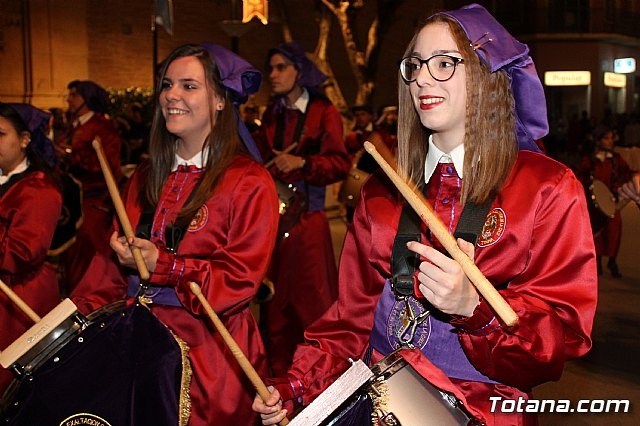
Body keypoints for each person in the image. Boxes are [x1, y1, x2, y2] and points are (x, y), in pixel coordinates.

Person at [253, 4, 597, 425]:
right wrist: (295, 387)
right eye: (414, 65)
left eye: (445, 63)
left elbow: (561, 341)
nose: (421, 78)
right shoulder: (381, 191)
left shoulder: (545, 187)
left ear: (488, 75)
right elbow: (349, 322)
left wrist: (475, 307)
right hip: (372, 404)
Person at [70, 43, 279, 425]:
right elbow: (108, 274)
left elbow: (238, 281)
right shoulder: (145, 175)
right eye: (167, 85)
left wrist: (166, 266)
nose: (171, 95)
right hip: (136, 343)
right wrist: (72, 320)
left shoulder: (249, 181)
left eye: (189, 86)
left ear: (220, 100)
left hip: (208, 355)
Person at [253, 41, 351, 376]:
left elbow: (340, 163)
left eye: (281, 67)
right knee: (275, 305)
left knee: (312, 303)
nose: (273, 75)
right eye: (271, 69)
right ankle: (279, 379)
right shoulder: (272, 113)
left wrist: (303, 161)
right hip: (274, 222)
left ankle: (320, 378)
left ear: (299, 71)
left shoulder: (325, 112)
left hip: (308, 223)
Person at [0, 103, 63, 393]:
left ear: (25, 139)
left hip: (17, 300)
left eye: (0, 134)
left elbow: (22, 254)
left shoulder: (39, 190)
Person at [55, 80, 123, 293]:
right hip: (71, 202)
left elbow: (110, 167)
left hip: (93, 203)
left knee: (90, 255)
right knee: (70, 256)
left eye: (74, 95)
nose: (69, 99)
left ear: (87, 98)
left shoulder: (103, 128)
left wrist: (71, 155)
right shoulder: (71, 126)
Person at [580, 125, 633, 277]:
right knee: (596, 234)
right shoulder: (590, 160)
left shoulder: (616, 160)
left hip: (611, 202)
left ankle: (612, 261)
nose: (610, 141)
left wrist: (619, 191)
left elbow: (627, 175)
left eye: (611, 138)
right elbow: (581, 178)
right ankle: (597, 263)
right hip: (594, 205)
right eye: (606, 138)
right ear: (598, 140)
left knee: (613, 232)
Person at [342, 104, 396, 222]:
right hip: (357, 182)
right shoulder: (351, 137)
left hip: (378, 182)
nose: (360, 118)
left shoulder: (381, 134)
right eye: (357, 115)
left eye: (363, 114)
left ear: (370, 116)